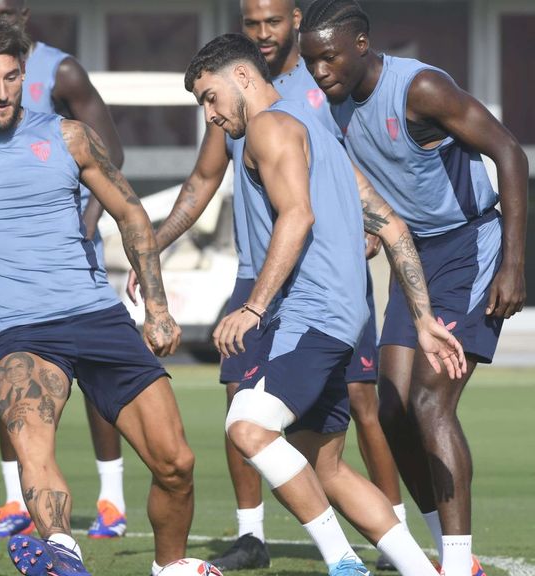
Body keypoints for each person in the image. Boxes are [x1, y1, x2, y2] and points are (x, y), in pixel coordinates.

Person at [127, 1, 405, 569]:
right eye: (251, 23)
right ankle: (255, 534)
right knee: (262, 416)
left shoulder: (316, 88)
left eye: (271, 21)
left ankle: (358, 551)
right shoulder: (235, 112)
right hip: (267, 278)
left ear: (295, 20)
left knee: (309, 413)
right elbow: (204, 179)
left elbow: (323, 193)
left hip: (317, 283)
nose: (262, 31)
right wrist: (154, 243)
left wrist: (363, 225)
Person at [0, 18, 193, 576]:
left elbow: (130, 211)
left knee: (176, 464)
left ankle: (172, 568)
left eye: (11, 77)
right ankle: (64, 556)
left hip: (98, 316)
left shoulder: (67, 136)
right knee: (35, 453)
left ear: (25, 76)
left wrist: (157, 308)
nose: (0, 91)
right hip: (22, 332)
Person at [184, 33, 466, 576]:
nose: (210, 115)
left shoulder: (268, 127)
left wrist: (253, 307)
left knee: (246, 427)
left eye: (210, 97)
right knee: (326, 465)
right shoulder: (316, 130)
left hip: (311, 316)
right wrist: (424, 317)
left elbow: (297, 217)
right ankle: (420, 570)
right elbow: (391, 224)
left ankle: (342, 562)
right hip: (344, 319)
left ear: (242, 77)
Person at [299, 2, 529, 575]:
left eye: (328, 57)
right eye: (310, 62)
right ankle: (452, 554)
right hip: (413, 259)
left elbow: (510, 152)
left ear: (359, 44)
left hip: (470, 246)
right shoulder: (331, 108)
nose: (320, 70)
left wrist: (514, 264)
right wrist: (369, 234)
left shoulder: (420, 88)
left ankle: (454, 566)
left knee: (431, 401)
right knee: (392, 408)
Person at [0, 0, 130, 541]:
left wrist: (86, 222)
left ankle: (112, 501)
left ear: (26, 10)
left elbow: (112, 154)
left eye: (8, 10)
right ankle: (15, 500)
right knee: (10, 372)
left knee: (95, 375)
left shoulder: (60, 71)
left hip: (69, 251)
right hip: (6, 255)